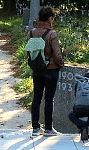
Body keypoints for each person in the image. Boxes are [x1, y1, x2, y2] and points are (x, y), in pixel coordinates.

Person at [29, 7, 64, 136]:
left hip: (37, 69)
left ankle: (35, 128)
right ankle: (48, 128)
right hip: (51, 69)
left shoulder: (32, 32)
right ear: (50, 18)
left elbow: (30, 51)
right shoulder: (51, 34)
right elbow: (57, 54)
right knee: (49, 99)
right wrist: (60, 65)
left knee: (36, 98)